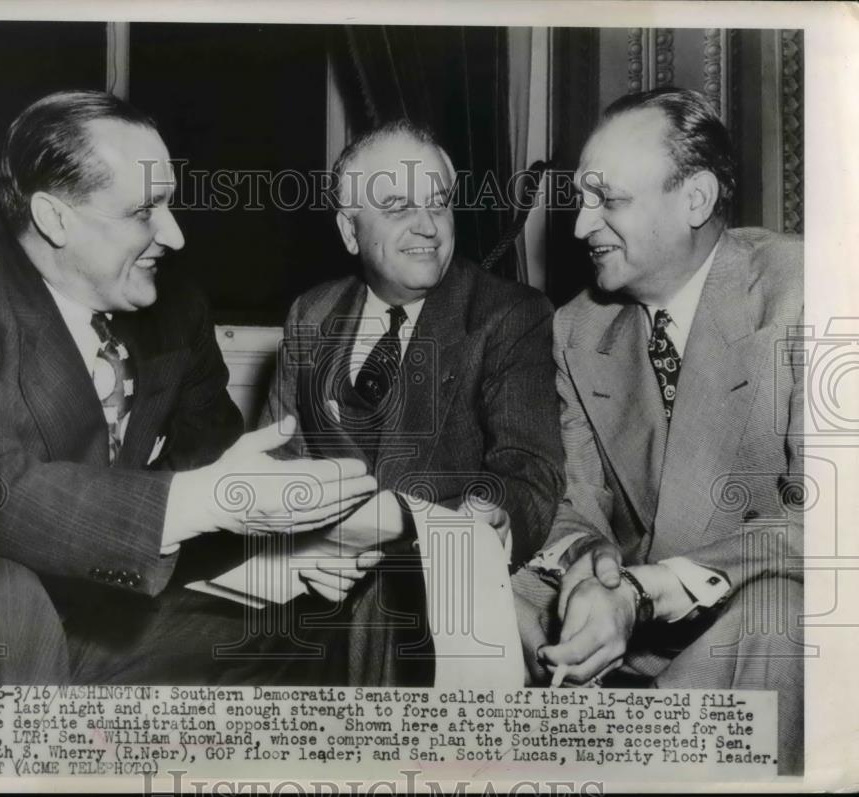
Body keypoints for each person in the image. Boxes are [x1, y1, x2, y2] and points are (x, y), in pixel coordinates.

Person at [0, 90, 375, 762]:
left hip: (99, 615)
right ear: (53, 217)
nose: (177, 234)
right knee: (3, 599)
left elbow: (204, 492)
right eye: (142, 212)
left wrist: (276, 560)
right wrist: (209, 497)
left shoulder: (172, 305)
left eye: (169, 202)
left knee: (295, 629)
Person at [510, 88, 804, 773]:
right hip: (632, 613)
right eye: (581, 200)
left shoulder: (807, 291)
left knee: (780, 612)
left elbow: (830, 520)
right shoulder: (577, 327)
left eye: (607, 200)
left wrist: (640, 591)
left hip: (751, 609)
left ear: (694, 200)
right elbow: (572, 500)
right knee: (477, 577)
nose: (581, 227)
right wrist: (592, 570)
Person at [260, 119, 565, 685]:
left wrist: (494, 515)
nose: (427, 226)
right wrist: (302, 552)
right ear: (350, 232)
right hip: (316, 607)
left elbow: (530, 470)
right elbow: (275, 465)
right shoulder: (312, 313)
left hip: (434, 611)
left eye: (440, 203)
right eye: (399, 206)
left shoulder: (508, 315)